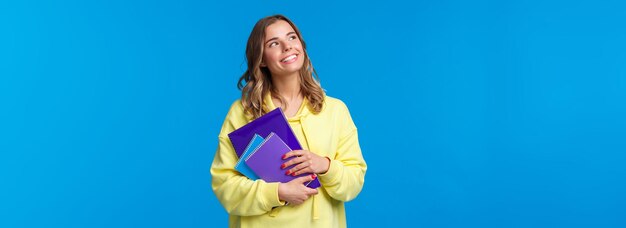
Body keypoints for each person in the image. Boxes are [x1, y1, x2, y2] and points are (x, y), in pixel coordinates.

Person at [210, 14, 367, 228]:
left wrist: (325, 166)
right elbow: (224, 185)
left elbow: (354, 182)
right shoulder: (242, 113)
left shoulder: (335, 111)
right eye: (274, 43)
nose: (287, 47)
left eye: (292, 38)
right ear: (262, 59)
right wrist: (277, 192)